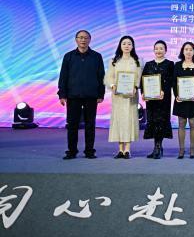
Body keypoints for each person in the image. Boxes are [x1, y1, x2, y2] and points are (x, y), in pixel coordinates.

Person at [58, 30, 105, 159]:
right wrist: (62, 94)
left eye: (86, 38)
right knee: (72, 125)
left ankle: (89, 151)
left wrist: (101, 94)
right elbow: (63, 76)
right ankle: (72, 151)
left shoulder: (97, 56)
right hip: (73, 96)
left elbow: (101, 76)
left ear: (90, 40)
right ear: (76, 40)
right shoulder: (68, 56)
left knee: (90, 124)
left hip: (91, 95)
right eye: (80, 37)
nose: (83, 40)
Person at [104, 35, 141, 159]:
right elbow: (108, 77)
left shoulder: (137, 61)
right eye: (124, 43)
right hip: (118, 97)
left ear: (133, 46)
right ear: (120, 45)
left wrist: (135, 86)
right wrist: (113, 85)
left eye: (129, 44)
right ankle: (120, 149)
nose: (126, 46)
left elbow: (139, 78)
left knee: (129, 121)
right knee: (119, 121)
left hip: (131, 97)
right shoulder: (114, 61)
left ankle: (127, 150)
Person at [141, 40, 174, 159]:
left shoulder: (170, 64)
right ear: (153, 50)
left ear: (165, 50)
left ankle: (158, 147)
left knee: (161, 121)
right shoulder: (148, 64)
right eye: (156, 48)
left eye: (161, 48)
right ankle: (157, 147)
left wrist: (163, 90)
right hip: (151, 100)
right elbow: (143, 80)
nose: (158, 51)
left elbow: (171, 80)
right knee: (153, 121)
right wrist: (143, 93)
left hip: (163, 99)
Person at [173, 42, 194, 159]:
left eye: (191, 49)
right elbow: (174, 83)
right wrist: (176, 95)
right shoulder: (177, 65)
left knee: (192, 123)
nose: (188, 52)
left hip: (193, 99)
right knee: (181, 123)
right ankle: (181, 150)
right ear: (183, 51)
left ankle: (192, 149)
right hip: (180, 100)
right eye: (186, 49)